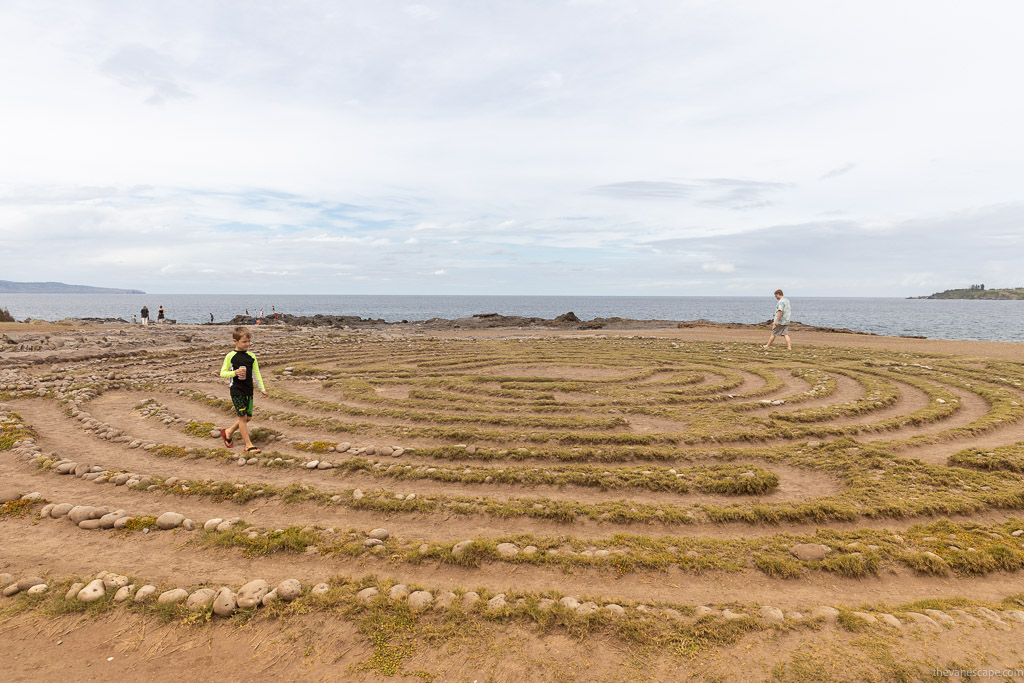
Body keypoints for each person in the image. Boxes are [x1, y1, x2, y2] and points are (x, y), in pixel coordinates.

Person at [218, 326, 267, 454]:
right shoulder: (231, 356)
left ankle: (228, 432)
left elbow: (257, 373)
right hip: (237, 390)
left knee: (247, 418)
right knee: (242, 417)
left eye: (249, 341)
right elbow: (223, 373)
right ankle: (248, 445)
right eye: (244, 342)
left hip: (248, 390)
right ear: (235, 341)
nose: (247, 344)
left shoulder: (251, 356)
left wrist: (262, 388)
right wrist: (234, 372)